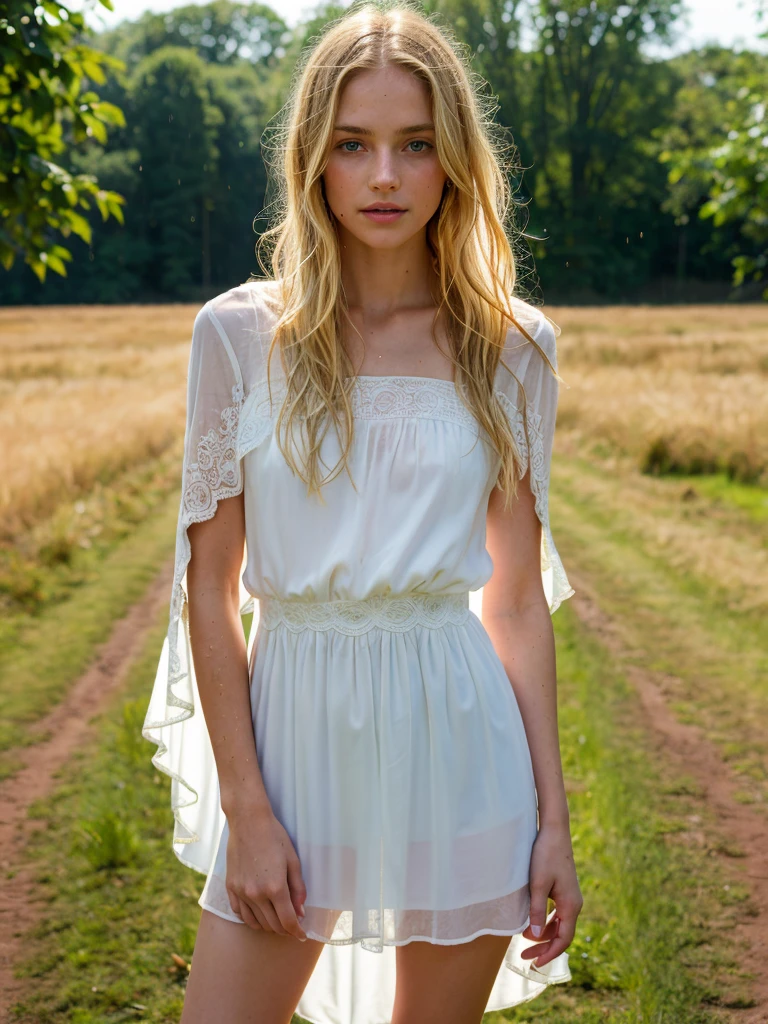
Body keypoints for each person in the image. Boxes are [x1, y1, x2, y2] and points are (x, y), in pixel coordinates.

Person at [142, 2, 583, 1021]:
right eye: (354, 144)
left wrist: (552, 817)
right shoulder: (239, 337)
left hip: (462, 750)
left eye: (415, 144)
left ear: (454, 161)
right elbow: (208, 593)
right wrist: (247, 808)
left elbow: (514, 602)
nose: (384, 175)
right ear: (314, 159)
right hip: (292, 745)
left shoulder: (516, 347)